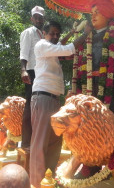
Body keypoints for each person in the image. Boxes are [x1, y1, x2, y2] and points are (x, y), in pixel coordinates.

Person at [30, 21, 91, 187]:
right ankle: (37, 183)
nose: (55, 37)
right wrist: (85, 34)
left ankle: (49, 180)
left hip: (55, 99)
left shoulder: (51, 48)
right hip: (42, 98)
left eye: (58, 34)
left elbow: (61, 45)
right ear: (44, 34)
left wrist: (71, 33)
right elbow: (67, 49)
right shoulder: (41, 45)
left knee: (54, 142)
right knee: (40, 143)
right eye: (52, 33)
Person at [20, 6, 45, 156]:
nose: (38, 19)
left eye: (40, 17)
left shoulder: (44, 34)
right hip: (31, 71)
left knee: (40, 106)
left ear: (43, 19)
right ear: (32, 18)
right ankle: (26, 142)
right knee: (30, 104)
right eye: (35, 17)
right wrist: (23, 70)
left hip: (43, 72)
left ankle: (38, 139)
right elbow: (24, 52)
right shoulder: (28, 32)